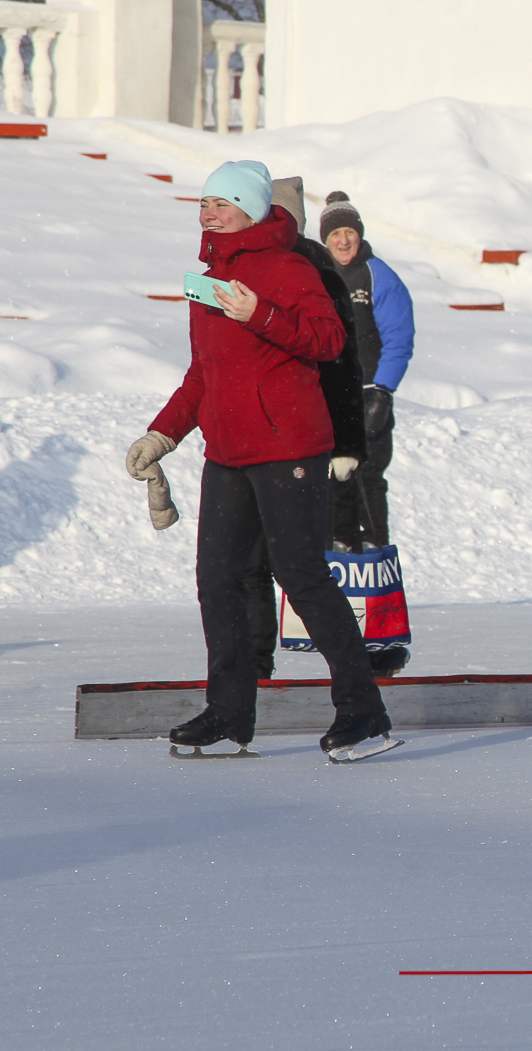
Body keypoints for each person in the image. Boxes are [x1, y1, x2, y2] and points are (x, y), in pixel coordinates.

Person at [124, 159, 393, 758]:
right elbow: (204, 373)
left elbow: (329, 339)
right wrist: (162, 434)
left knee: (301, 575)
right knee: (217, 578)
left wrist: (261, 314)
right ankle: (229, 711)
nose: (209, 212)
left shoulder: (288, 267)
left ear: (250, 208)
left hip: (288, 448)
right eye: (204, 203)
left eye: (222, 203)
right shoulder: (208, 280)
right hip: (227, 453)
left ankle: (363, 708)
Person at [243, 175, 368, 680]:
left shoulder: (316, 270)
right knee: (247, 565)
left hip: (300, 437)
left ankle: (353, 675)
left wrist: (347, 443)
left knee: (298, 567)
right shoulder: (240, 267)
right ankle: (252, 668)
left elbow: (342, 365)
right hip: (249, 440)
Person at [315, 192, 414, 560]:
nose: (343, 241)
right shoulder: (317, 274)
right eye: (335, 234)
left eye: (350, 232)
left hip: (368, 393)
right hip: (327, 396)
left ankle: (373, 551)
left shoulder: (378, 275)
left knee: (367, 478)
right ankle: (337, 551)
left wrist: (382, 392)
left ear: (359, 235)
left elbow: (399, 338)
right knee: (329, 479)